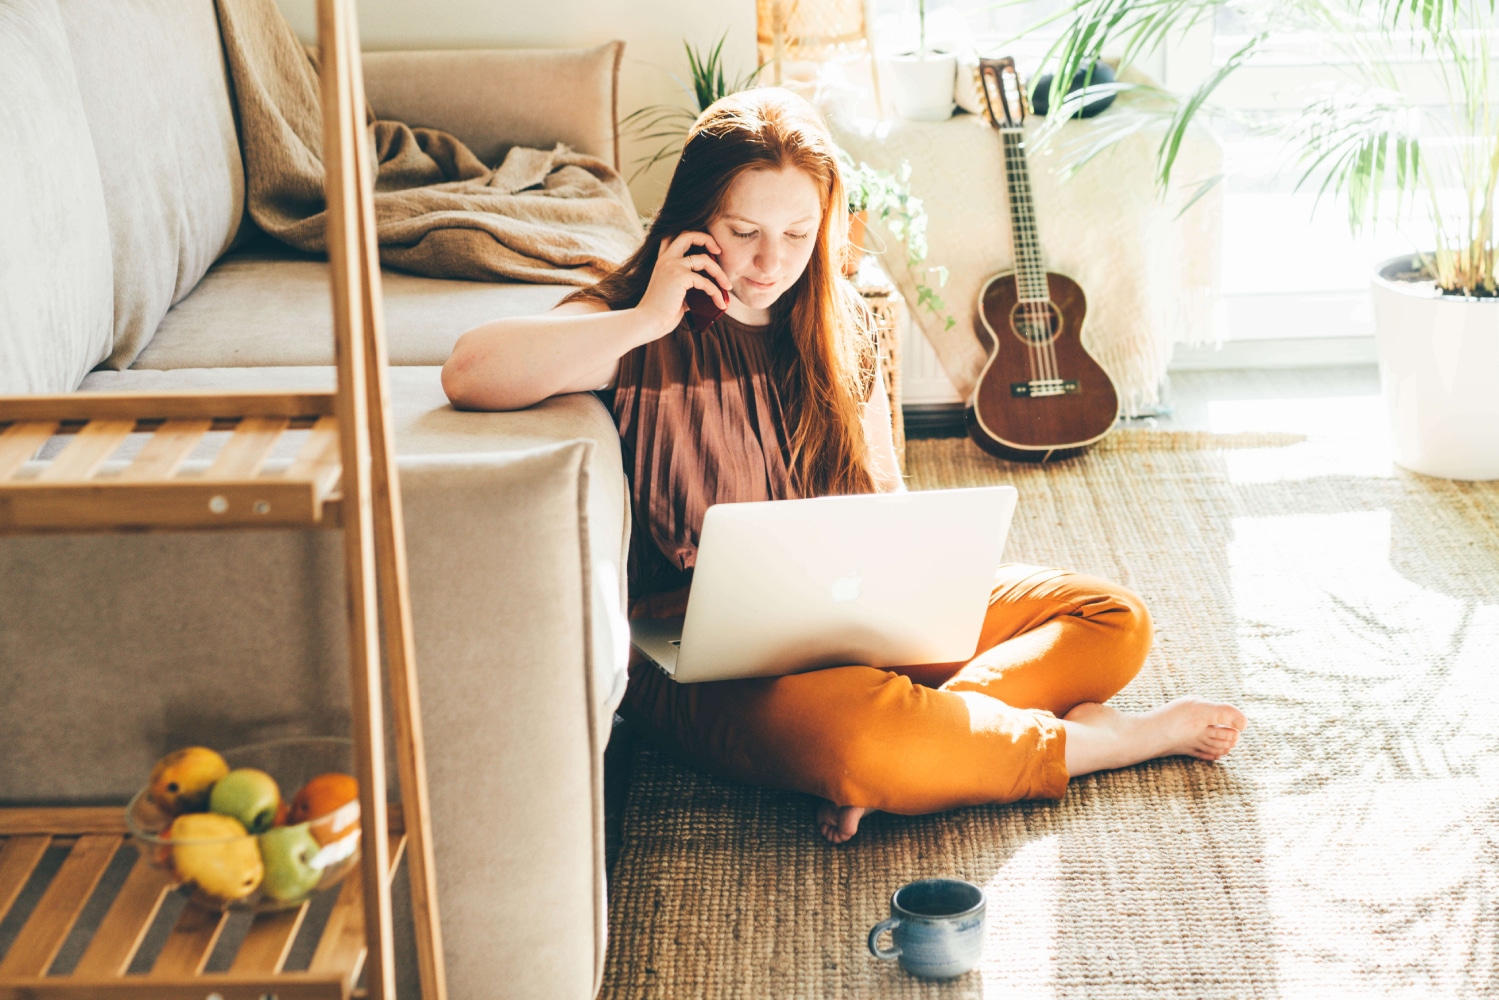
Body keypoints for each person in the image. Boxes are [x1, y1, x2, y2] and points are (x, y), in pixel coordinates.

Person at [442, 88, 1247, 845]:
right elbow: (469, 372)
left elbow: (880, 495)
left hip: (852, 618)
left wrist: (905, 595)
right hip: (697, 648)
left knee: (1110, 619)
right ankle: (1097, 743)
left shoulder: (842, 321)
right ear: (692, 221)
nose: (769, 261)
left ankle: (919, 746)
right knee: (861, 733)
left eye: (796, 235)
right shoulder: (631, 326)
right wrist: (648, 318)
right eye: (742, 230)